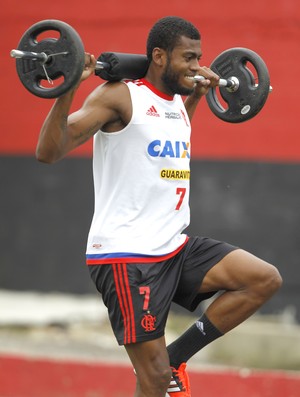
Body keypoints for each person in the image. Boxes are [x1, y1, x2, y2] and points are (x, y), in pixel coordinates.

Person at [36, 15, 282, 397]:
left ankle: (176, 357)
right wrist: (66, 86)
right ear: (159, 57)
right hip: (126, 255)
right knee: (153, 381)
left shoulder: (177, 104)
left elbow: (167, 137)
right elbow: (49, 152)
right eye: (188, 58)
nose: (198, 66)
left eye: (199, 58)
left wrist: (196, 98)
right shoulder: (118, 96)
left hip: (172, 246)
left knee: (262, 279)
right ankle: (163, 368)